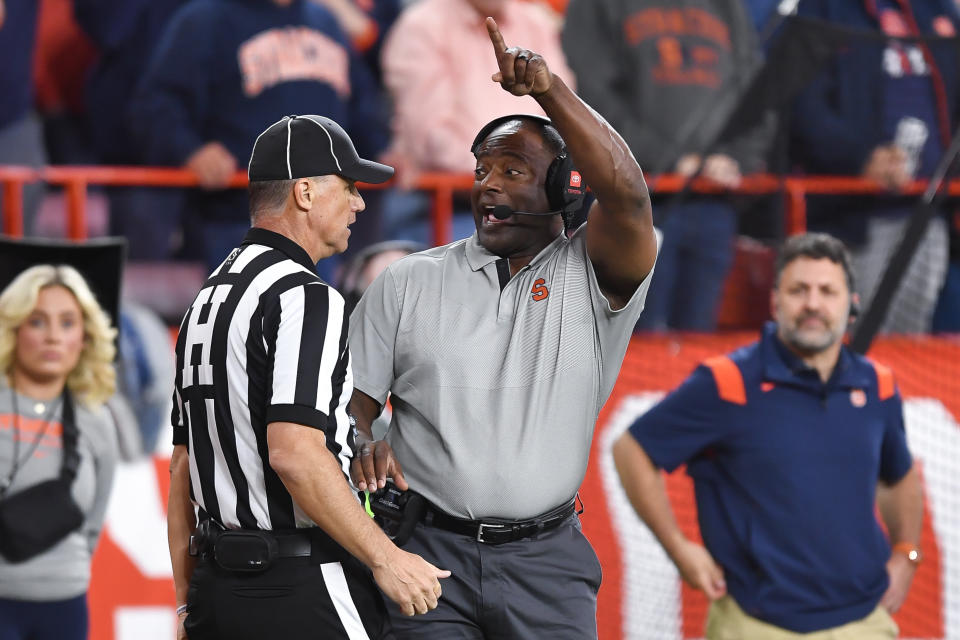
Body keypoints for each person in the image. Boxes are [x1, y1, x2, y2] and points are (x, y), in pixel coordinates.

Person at [348, 19, 658, 638]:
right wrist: (363, 439)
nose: (488, 182)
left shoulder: (596, 272)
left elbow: (626, 196)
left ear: (563, 187)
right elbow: (347, 407)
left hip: (547, 562)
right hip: (424, 555)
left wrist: (549, 91)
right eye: (482, 170)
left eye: (513, 170)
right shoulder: (406, 281)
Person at [167, 115, 449, 640]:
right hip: (301, 583)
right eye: (349, 188)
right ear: (304, 192)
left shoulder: (207, 298)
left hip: (216, 589)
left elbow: (184, 467)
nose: (360, 205)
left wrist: (186, 603)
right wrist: (386, 558)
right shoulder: (305, 295)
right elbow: (294, 452)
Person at [613, 233, 923, 638]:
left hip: (865, 620)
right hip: (755, 623)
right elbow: (631, 449)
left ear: (852, 305)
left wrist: (906, 553)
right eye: (799, 290)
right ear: (776, 301)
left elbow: (897, 475)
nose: (813, 303)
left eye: (828, 291)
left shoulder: (878, 384)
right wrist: (679, 548)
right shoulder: (727, 382)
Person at [128, 0, 388, 273]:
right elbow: (155, 105)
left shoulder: (326, 21)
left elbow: (362, 109)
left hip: (322, 220)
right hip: (240, 220)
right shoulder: (205, 19)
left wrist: (385, 148)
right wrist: (191, 151)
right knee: (251, 311)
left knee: (318, 310)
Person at [562, 0, 774, 331]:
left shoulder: (728, 6)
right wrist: (669, 159)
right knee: (626, 345)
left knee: (698, 346)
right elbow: (590, 99)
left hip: (713, 202)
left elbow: (757, 93)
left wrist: (736, 159)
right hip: (630, 202)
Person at [791, 0, 960, 333]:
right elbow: (801, 104)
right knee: (846, 336)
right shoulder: (824, 9)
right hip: (852, 214)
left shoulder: (935, 10)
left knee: (910, 340)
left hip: (927, 211)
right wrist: (860, 158)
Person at [377, 0, 574, 243]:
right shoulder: (422, 25)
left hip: (534, 203)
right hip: (440, 204)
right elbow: (433, 143)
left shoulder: (537, 23)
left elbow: (562, 115)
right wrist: (523, 175)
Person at [0, 264, 119, 640]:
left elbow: (92, 523)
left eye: (67, 323)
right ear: (14, 329)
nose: (53, 336)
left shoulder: (97, 422)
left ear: (84, 337)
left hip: (64, 606)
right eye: (37, 322)